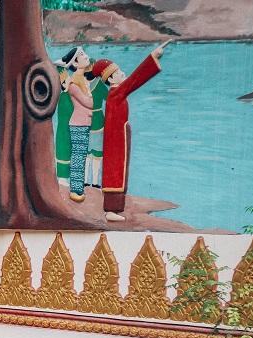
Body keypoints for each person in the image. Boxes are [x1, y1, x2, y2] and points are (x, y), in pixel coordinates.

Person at [93, 40, 169, 221]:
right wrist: (152, 57)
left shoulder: (115, 92)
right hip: (116, 138)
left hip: (119, 136)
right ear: (111, 78)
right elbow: (135, 80)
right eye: (119, 72)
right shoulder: (116, 92)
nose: (123, 74)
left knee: (119, 171)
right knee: (116, 172)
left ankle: (115, 209)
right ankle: (111, 210)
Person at [61, 47, 93, 202]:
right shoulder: (74, 83)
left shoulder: (83, 81)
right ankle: (75, 189)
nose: (86, 57)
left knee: (81, 156)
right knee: (78, 157)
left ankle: (78, 188)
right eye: (82, 55)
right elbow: (88, 102)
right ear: (75, 62)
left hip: (84, 124)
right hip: (78, 124)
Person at [54, 67, 73, 186]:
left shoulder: (66, 97)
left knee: (66, 151)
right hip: (64, 130)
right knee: (63, 151)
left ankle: (64, 178)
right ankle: (62, 178)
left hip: (66, 129)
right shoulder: (65, 97)